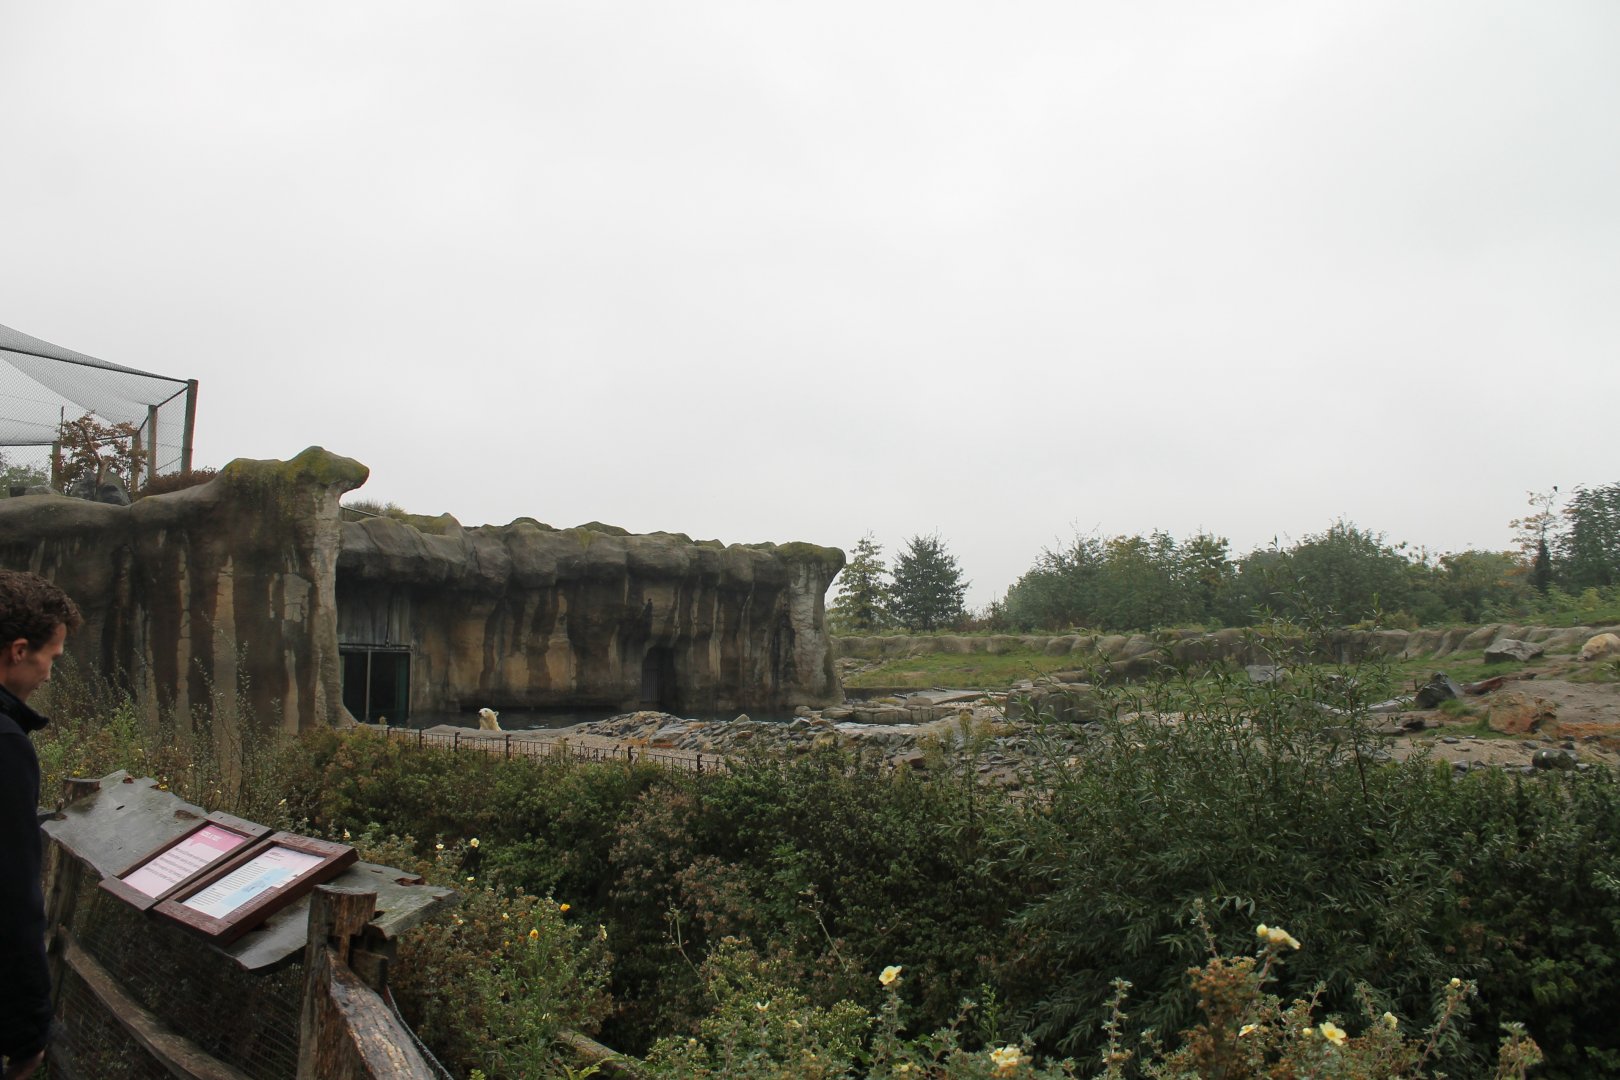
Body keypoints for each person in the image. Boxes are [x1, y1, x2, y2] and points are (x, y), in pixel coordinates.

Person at [0, 571, 81, 1080]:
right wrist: (29, 1033)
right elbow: (10, 899)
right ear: (19, 650)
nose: (49, 675)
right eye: (51, 658)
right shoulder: (6, 744)